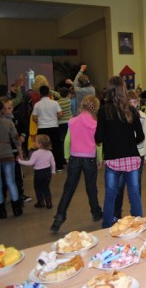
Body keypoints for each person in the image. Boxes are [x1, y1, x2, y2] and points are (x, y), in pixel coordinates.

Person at [95, 76, 144, 228]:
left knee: (111, 194)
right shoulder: (132, 111)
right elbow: (141, 136)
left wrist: (111, 141)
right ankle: (139, 223)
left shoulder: (103, 111)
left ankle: (108, 224)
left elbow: (98, 137)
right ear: (124, 90)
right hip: (132, 157)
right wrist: (129, 143)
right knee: (134, 193)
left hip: (113, 158)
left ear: (109, 91)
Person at [50, 95, 103, 233]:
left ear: (81, 106)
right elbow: (98, 144)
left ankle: (59, 217)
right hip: (89, 159)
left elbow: (67, 141)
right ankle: (96, 212)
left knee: (68, 189)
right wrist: (99, 159)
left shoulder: (72, 121)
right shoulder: (96, 124)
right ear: (96, 108)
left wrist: (67, 156)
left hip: (75, 158)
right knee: (91, 187)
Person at [114, 90, 146, 219]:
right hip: (124, 154)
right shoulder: (122, 117)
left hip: (138, 154)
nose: (134, 104)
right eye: (131, 102)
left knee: (135, 186)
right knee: (119, 185)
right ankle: (116, 213)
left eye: (136, 102)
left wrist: (144, 155)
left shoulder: (143, 116)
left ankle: (136, 214)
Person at [2, 98, 31, 203]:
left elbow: (24, 127)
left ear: (13, 108)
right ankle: (3, 195)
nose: (7, 111)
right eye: (4, 109)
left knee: (17, 173)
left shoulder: (17, 118)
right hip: (5, 151)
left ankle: (20, 193)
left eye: (9, 108)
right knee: (4, 174)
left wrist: (23, 135)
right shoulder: (0, 120)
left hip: (16, 149)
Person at [18, 134, 55, 209]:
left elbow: (30, 163)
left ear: (40, 144)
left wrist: (20, 161)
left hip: (39, 173)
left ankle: (40, 202)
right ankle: (49, 202)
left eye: (35, 142)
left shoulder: (35, 153)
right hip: (47, 172)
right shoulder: (49, 152)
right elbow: (53, 162)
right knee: (46, 187)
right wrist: (53, 171)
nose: (34, 143)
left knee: (37, 187)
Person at [32, 85, 65, 171]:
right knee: (56, 147)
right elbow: (61, 114)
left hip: (42, 128)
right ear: (49, 93)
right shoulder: (54, 103)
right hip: (54, 127)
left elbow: (34, 117)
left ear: (40, 93)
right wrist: (54, 118)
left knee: (42, 148)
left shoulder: (37, 105)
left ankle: (44, 166)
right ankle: (59, 166)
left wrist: (40, 122)